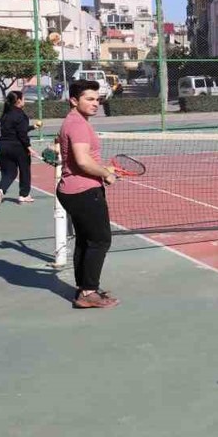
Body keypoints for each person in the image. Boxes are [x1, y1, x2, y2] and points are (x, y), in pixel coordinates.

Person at [56, 80, 119, 309]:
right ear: (74, 100)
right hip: (83, 191)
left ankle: (85, 288)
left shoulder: (73, 121)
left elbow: (76, 156)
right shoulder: (78, 124)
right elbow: (82, 161)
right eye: (89, 99)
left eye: (97, 99)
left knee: (85, 241)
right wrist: (106, 174)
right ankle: (89, 292)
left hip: (72, 189)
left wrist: (103, 170)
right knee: (100, 240)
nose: (95, 103)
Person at [0, 91, 38, 207]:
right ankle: (24, 195)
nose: (24, 101)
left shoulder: (5, 115)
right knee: (24, 170)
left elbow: (16, 130)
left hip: (3, 146)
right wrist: (29, 148)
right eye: (23, 99)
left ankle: (0, 190)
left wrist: (32, 127)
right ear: (18, 101)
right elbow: (21, 134)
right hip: (18, 147)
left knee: (9, 173)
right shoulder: (21, 115)